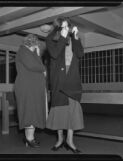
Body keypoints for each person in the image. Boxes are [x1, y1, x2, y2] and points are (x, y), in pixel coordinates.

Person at [46, 17, 84, 154]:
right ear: (57, 27)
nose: (66, 29)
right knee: (60, 112)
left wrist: (76, 37)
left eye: (68, 26)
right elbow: (55, 54)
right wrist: (62, 37)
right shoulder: (50, 38)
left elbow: (80, 53)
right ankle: (60, 139)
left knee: (72, 112)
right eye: (63, 26)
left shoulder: (72, 38)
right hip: (59, 80)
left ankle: (70, 140)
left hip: (72, 79)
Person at [14, 34, 47, 148]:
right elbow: (34, 66)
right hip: (26, 87)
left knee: (33, 112)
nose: (37, 46)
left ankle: (29, 137)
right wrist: (39, 59)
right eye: (36, 44)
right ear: (33, 43)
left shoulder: (30, 53)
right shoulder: (23, 51)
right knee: (29, 112)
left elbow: (38, 66)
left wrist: (37, 56)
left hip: (32, 88)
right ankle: (29, 138)